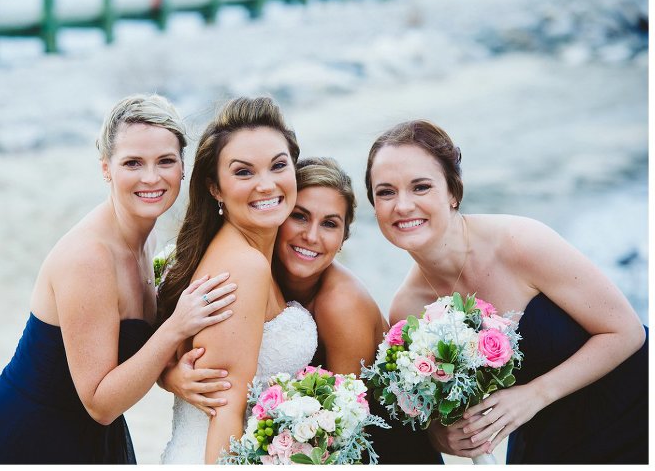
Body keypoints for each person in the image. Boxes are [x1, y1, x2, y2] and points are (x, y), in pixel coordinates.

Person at [0, 94, 237, 464]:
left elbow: (130, 357)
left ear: (182, 167)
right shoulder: (89, 258)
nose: (151, 177)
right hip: (14, 444)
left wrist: (171, 374)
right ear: (106, 168)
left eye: (165, 161)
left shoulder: (147, 241)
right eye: (133, 163)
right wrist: (176, 327)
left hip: (82, 439)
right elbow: (100, 404)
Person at [364, 119, 648, 464]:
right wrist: (442, 436)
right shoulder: (409, 310)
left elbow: (626, 332)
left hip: (635, 413)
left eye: (421, 187)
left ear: (453, 192)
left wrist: (535, 394)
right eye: (386, 192)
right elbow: (441, 413)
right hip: (549, 443)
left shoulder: (520, 243)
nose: (402, 206)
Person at [162, 156, 443, 464]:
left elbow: (344, 428)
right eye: (299, 217)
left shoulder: (342, 304)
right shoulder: (253, 271)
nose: (311, 236)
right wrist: (172, 377)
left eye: (329, 224)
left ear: (343, 239)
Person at [157, 96, 318, 464]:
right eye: (244, 172)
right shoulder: (244, 265)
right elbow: (225, 409)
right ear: (215, 188)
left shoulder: (251, 252)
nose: (266, 185)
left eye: (278, 165)